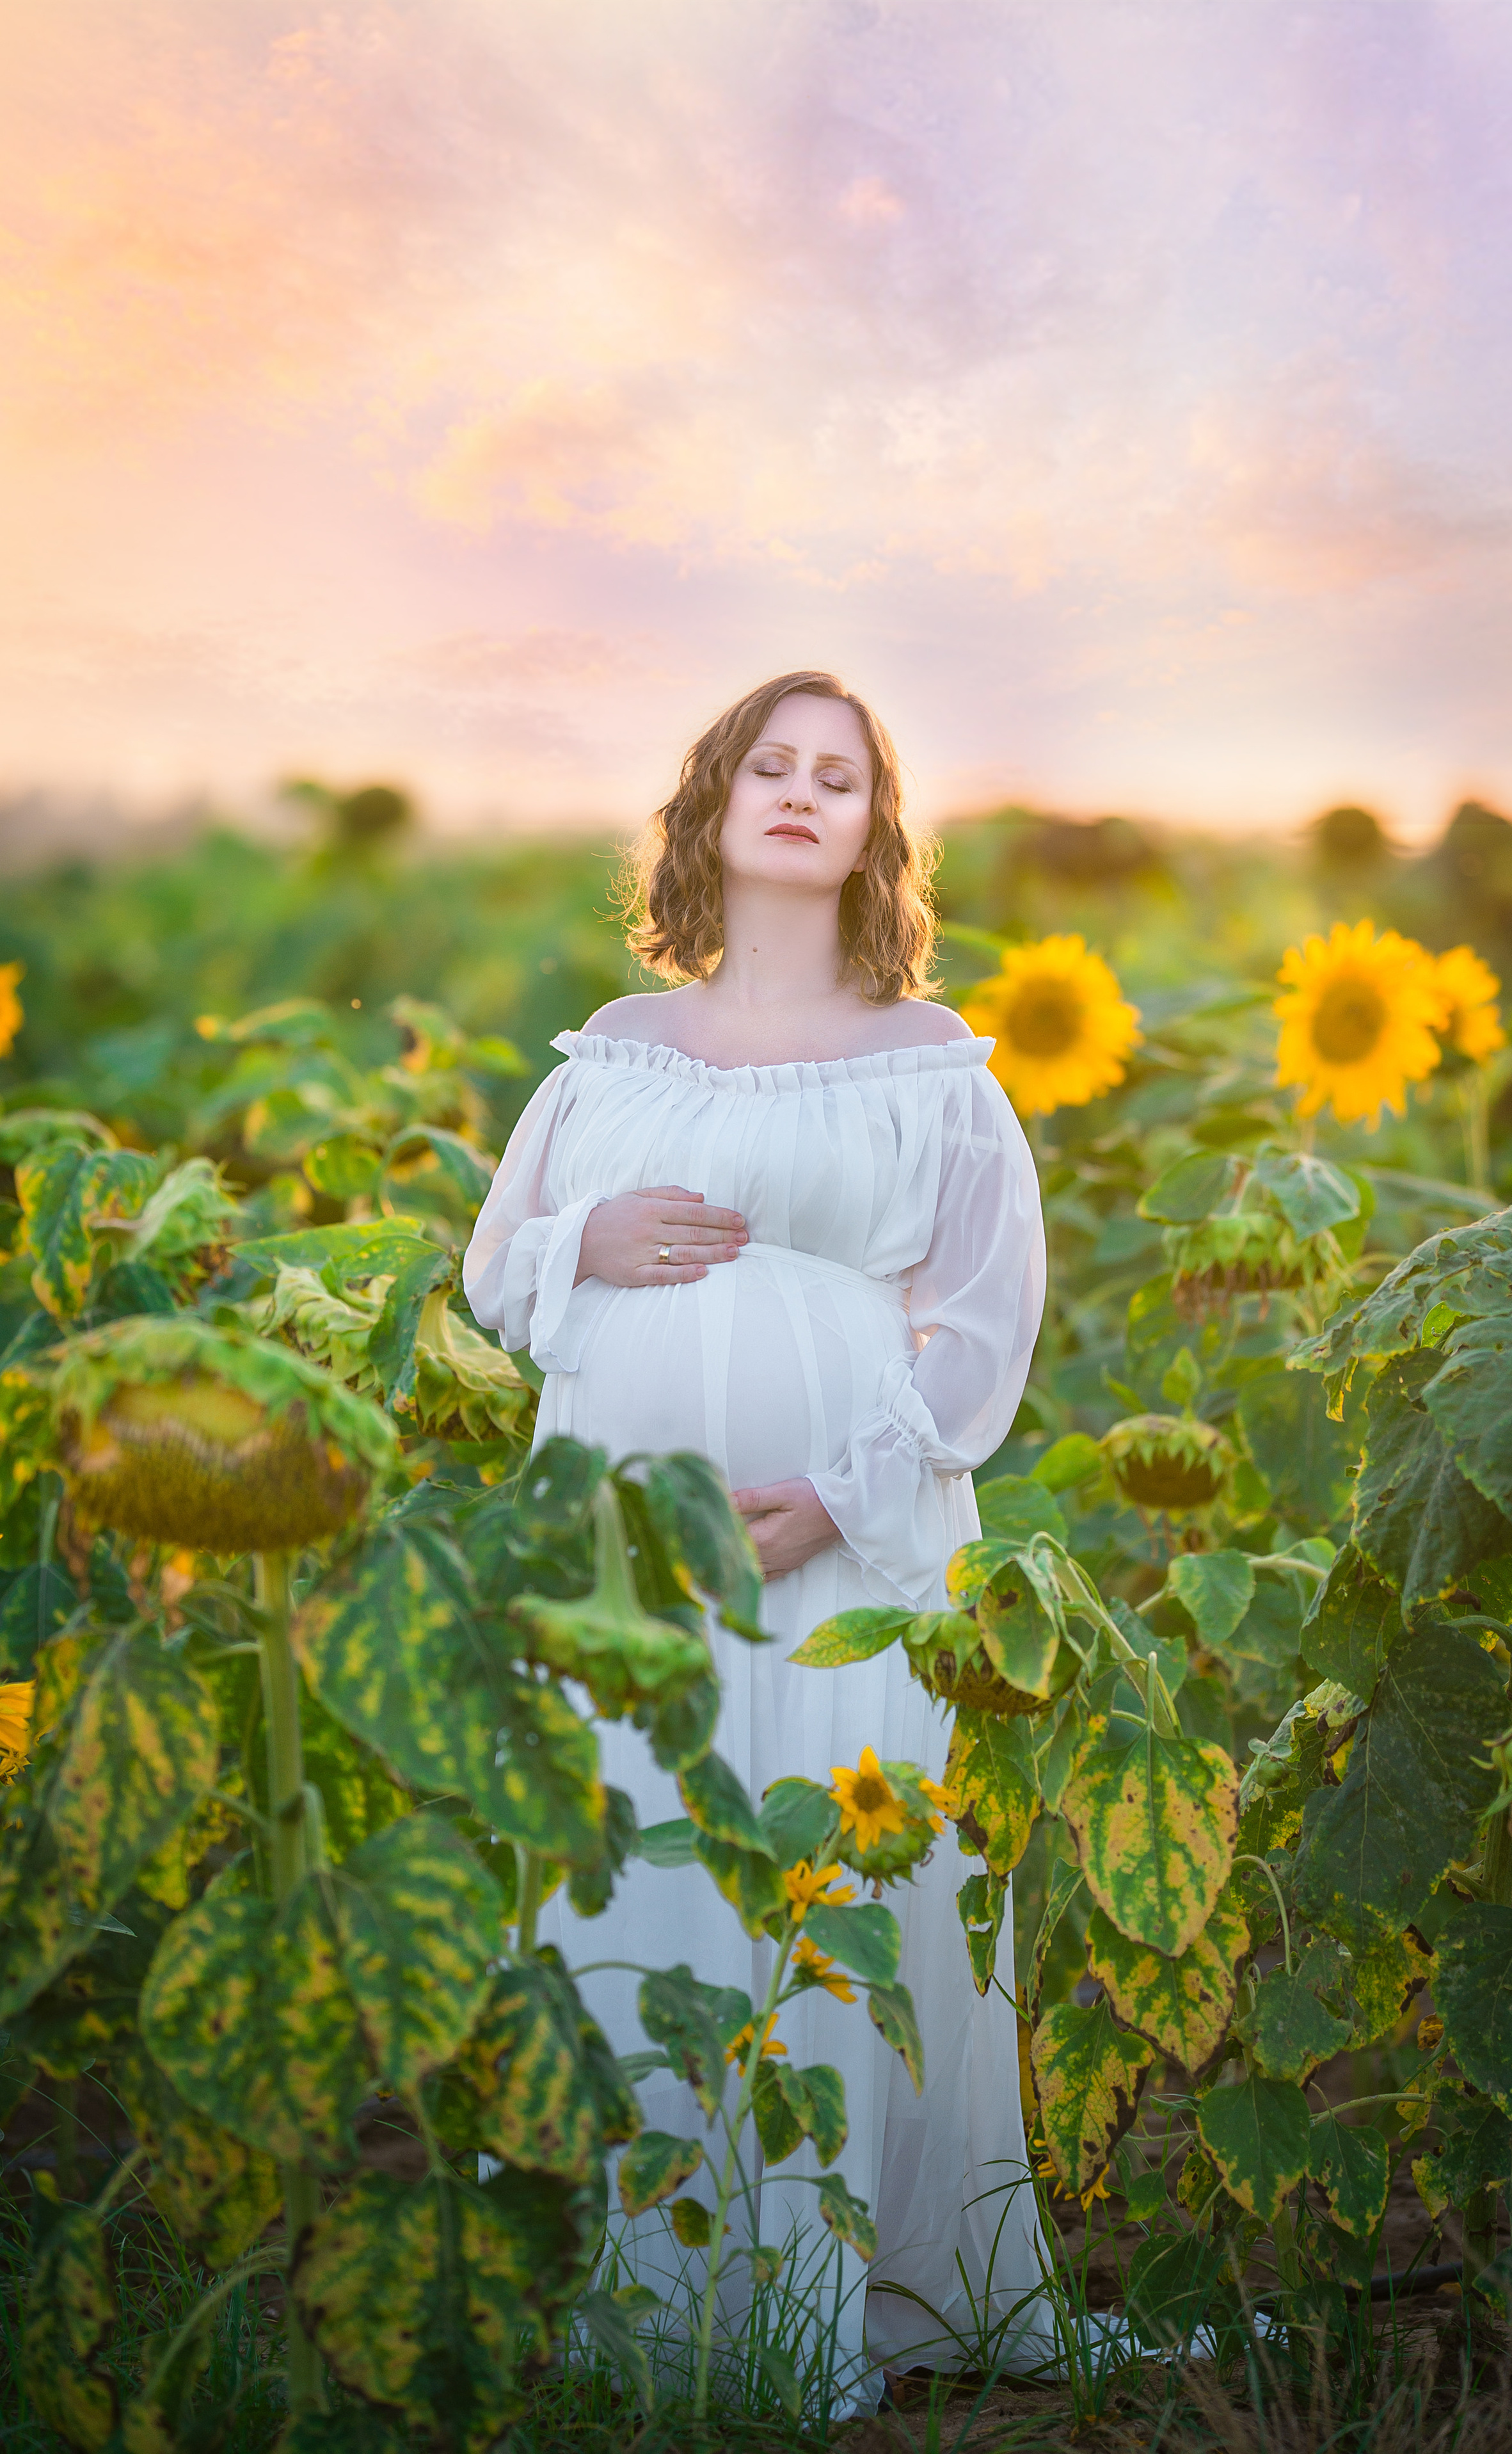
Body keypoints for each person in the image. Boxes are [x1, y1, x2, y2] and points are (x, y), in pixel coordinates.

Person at [465, 670, 1048, 2405]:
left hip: (840, 1548)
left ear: (874, 832)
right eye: (770, 767)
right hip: (623, 1548)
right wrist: (585, 1238)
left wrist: (840, 1498)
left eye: (838, 777)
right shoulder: (615, 1046)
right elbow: (496, 1272)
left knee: (824, 1890)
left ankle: (804, 2309)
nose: (802, 792)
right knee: (637, 1854)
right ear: (714, 808)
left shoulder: (931, 1062)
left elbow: (983, 1320)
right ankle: (620, 2304)